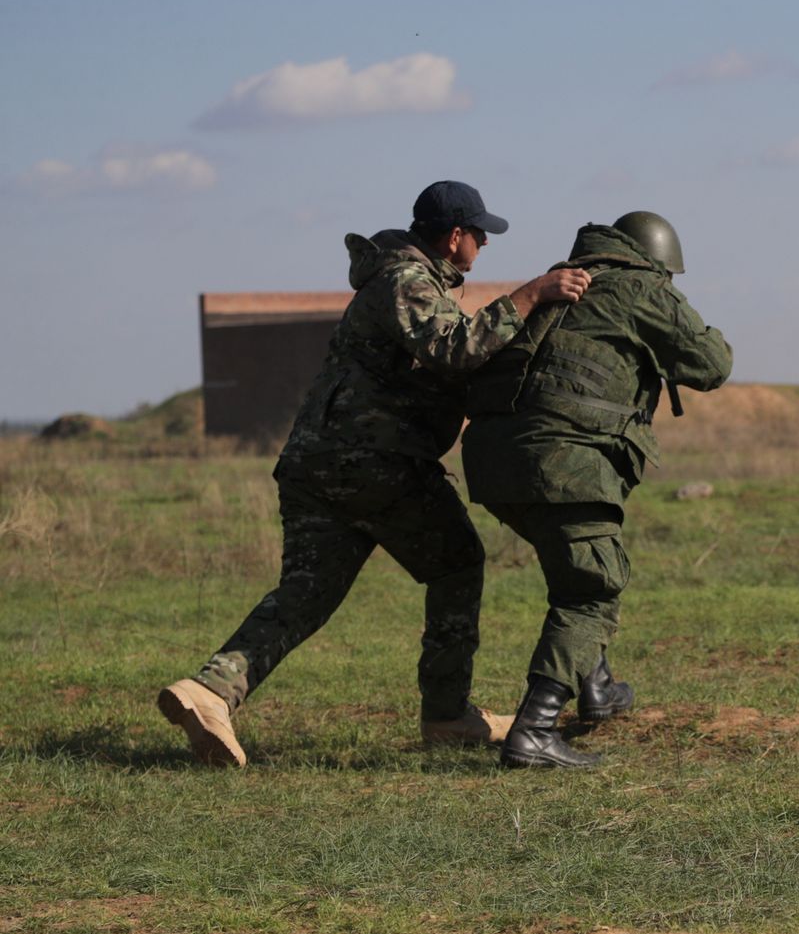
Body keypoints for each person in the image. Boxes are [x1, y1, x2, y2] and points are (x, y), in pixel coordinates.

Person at [158, 181, 592, 767]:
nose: (485, 244)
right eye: (480, 234)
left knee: (307, 593)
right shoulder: (405, 280)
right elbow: (455, 347)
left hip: (322, 463)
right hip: (371, 461)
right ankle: (445, 715)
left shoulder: (405, 281)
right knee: (457, 561)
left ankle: (210, 691)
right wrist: (533, 293)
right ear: (455, 236)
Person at [460, 211, 731, 767]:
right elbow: (711, 364)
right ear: (655, 261)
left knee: (573, 567)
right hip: (565, 459)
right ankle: (535, 728)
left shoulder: (558, 282)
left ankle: (597, 687)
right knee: (592, 588)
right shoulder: (640, 286)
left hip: (493, 461)